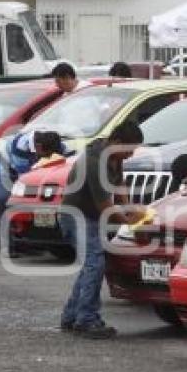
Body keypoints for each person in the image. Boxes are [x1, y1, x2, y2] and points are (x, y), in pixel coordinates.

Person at [59, 122, 147, 339]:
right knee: (95, 264)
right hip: (76, 217)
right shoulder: (94, 162)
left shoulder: (114, 157)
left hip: (90, 217)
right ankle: (87, 320)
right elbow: (105, 207)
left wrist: (129, 207)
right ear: (116, 143)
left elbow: (120, 186)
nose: (130, 154)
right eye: (129, 149)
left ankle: (72, 316)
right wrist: (129, 221)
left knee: (92, 265)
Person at [0, 130, 64, 254]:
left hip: (30, 173)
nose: (47, 157)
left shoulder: (56, 144)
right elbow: (25, 179)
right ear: (38, 147)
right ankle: (7, 246)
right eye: (46, 155)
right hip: (3, 175)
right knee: (5, 201)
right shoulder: (20, 147)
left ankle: (32, 242)